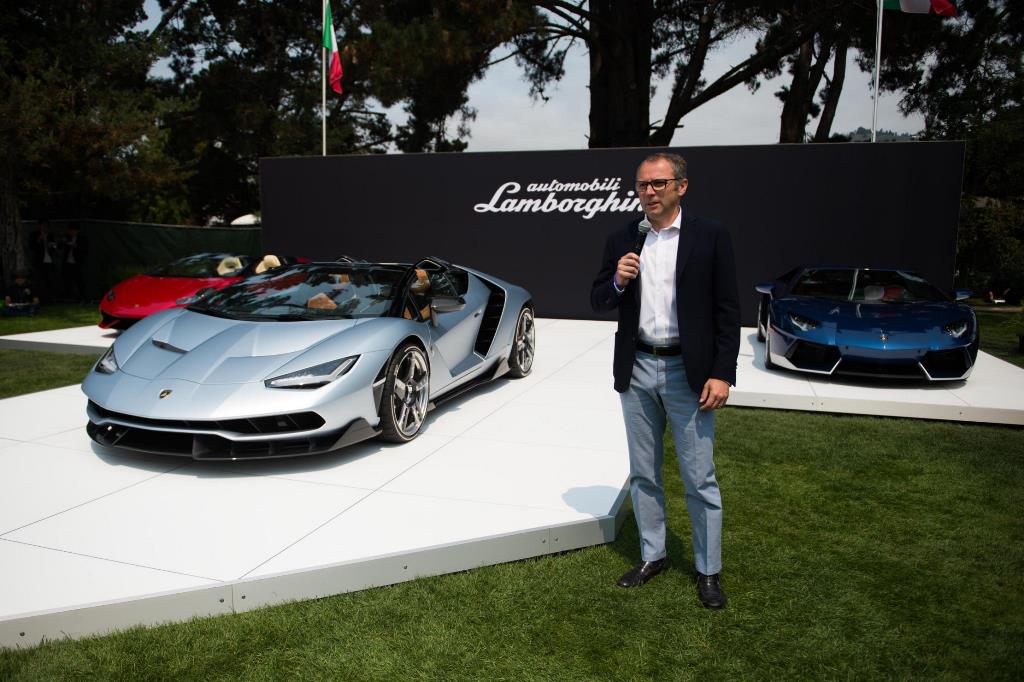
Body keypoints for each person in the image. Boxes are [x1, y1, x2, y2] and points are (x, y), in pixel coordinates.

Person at [590, 152, 740, 609]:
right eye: (642, 185)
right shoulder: (623, 239)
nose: (649, 192)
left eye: (658, 183)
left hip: (688, 373)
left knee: (699, 477)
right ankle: (652, 556)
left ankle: (708, 570)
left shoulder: (710, 236)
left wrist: (721, 373)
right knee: (643, 472)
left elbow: (727, 310)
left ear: (681, 186)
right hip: (636, 368)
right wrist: (618, 281)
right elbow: (598, 299)